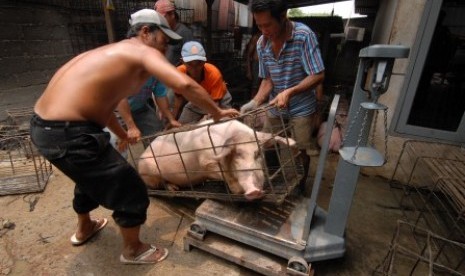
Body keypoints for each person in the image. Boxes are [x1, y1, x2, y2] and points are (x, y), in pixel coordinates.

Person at [29, 8, 239, 265]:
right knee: (131, 186)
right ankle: (133, 250)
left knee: (88, 177)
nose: (164, 51)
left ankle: (85, 227)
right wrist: (216, 113)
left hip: (45, 128)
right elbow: (184, 85)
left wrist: (122, 134)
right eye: (163, 42)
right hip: (70, 133)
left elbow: (105, 105)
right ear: (145, 32)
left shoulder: (108, 54)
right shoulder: (139, 51)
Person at [240, 0, 325, 195]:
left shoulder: (304, 36)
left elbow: (318, 75)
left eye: (267, 24)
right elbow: (268, 79)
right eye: (259, 25)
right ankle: (271, 181)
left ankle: (299, 187)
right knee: (267, 145)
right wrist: (254, 102)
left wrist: (289, 92)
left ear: (283, 16)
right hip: (275, 107)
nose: (263, 30)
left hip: (301, 108)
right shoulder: (262, 44)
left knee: (299, 150)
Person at [173, 41, 233, 124]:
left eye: (198, 63)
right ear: (182, 62)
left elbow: (215, 104)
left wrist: (208, 118)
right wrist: (172, 120)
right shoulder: (179, 74)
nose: (194, 68)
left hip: (219, 101)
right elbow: (178, 99)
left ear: (205, 61)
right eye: (190, 64)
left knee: (225, 124)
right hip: (197, 100)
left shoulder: (214, 73)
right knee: (182, 126)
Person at [154, 0, 194, 66]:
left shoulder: (184, 33)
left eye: (162, 18)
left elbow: (192, 61)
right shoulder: (162, 32)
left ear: (172, 15)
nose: (159, 21)